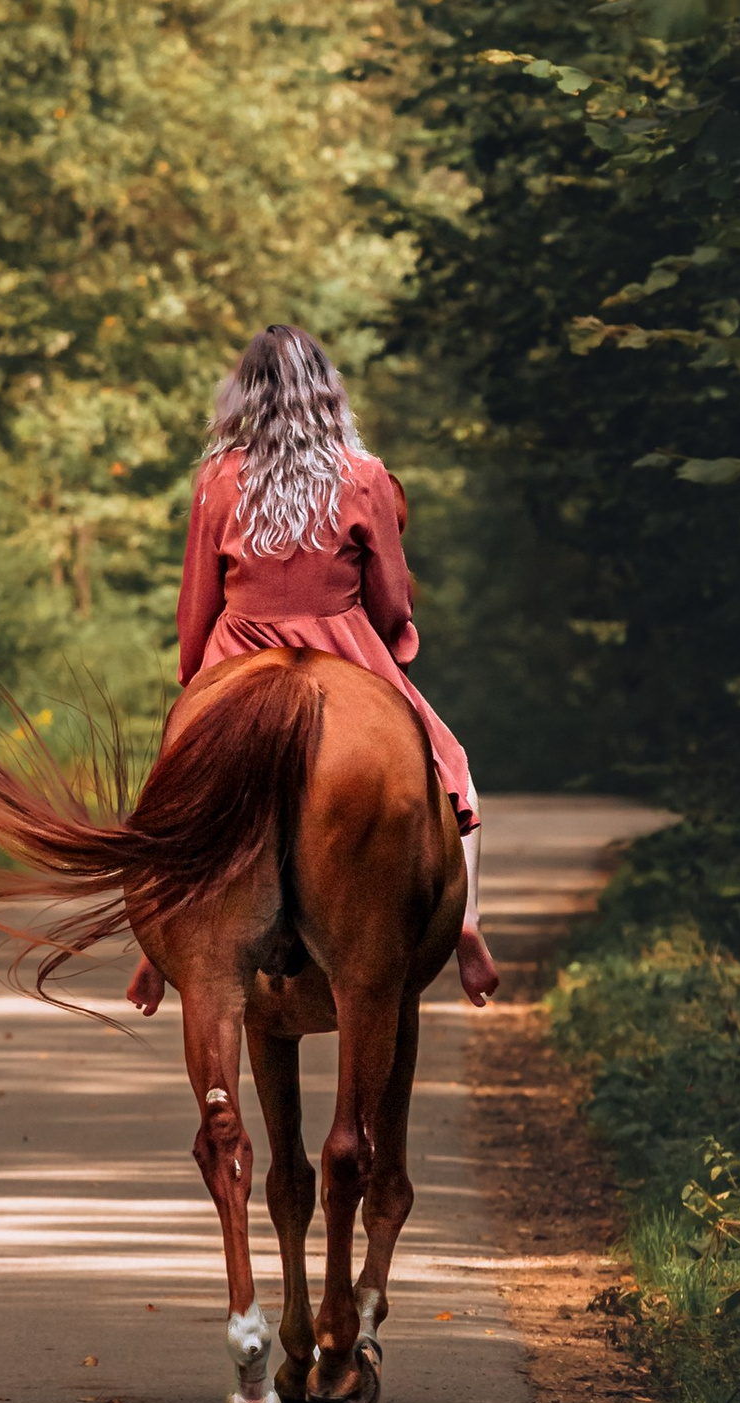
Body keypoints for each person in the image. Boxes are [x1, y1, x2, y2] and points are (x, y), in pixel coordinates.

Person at [127, 326, 499, 1012]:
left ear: (242, 397)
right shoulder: (366, 476)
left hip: (237, 651)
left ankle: (157, 947)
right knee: (455, 772)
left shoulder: (216, 477)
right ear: (328, 394)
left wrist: (196, 677)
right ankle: (468, 928)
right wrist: (395, 647)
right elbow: (390, 600)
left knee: (168, 796)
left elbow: (195, 606)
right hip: (346, 650)